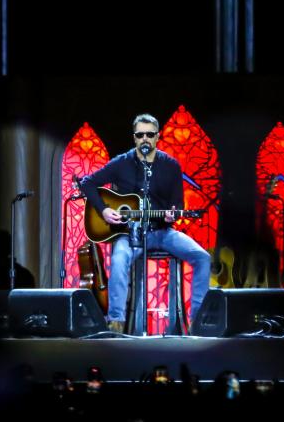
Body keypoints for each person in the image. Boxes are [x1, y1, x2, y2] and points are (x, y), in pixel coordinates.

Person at [78, 113, 211, 333]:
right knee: (119, 259)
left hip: (162, 232)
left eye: (150, 134)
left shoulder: (170, 166)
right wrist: (104, 210)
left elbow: (176, 204)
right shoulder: (122, 163)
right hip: (129, 234)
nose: (145, 139)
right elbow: (87, 183)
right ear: (134, 138)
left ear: (158, 136)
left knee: (202, 257)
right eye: (140, 135)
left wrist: (173, 214)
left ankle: (198, 321)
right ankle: (116, 322)